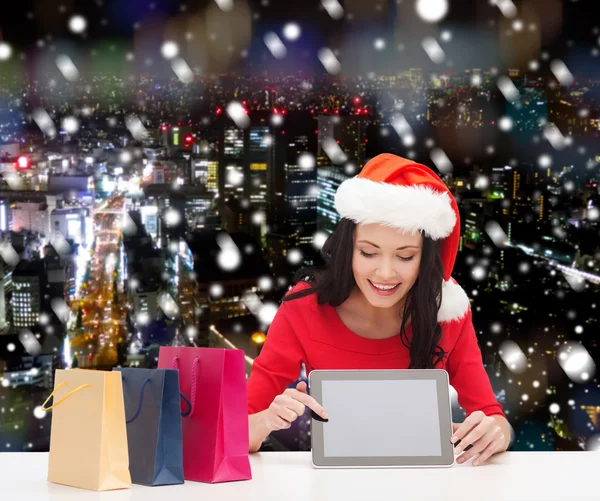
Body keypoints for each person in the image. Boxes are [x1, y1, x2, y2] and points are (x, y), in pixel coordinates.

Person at [247, 154, 512, 466]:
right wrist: (268, 420)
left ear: (425, 258)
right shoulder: (305, 306)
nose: (385, 273)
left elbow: (495, 418)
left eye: (405, 256)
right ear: (349, 248)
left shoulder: (447, 313)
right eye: (369, 252)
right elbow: (239, 429)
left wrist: (493, 433)